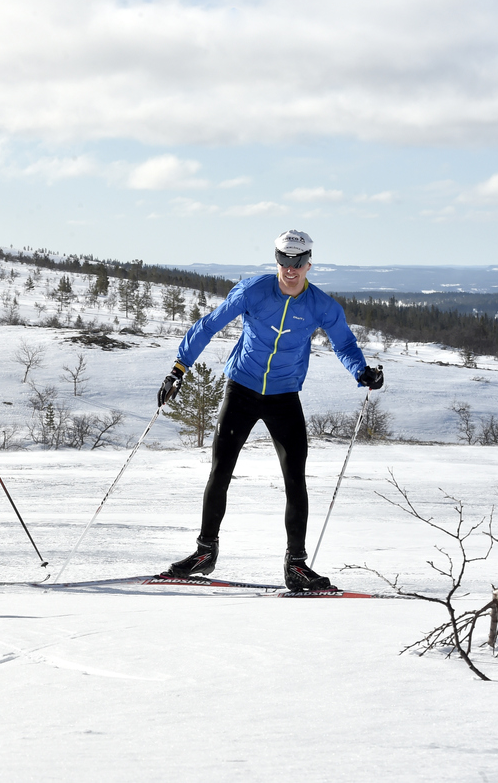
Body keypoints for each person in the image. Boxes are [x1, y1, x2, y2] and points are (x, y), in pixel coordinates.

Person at [157, 230, 384, 591]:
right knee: (220, 470)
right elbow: (209, 324)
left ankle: (296, 566)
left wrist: (362, 372)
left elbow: (344, 343)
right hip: (241, 389)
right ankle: (204, 552)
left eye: (297, 262)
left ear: (309, 263)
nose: (290, 269)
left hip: (283, 396)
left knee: (295, 479)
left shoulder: (321, 306)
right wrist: (178, 369)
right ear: (275, 259)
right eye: (283, 260)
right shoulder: (253, 291)